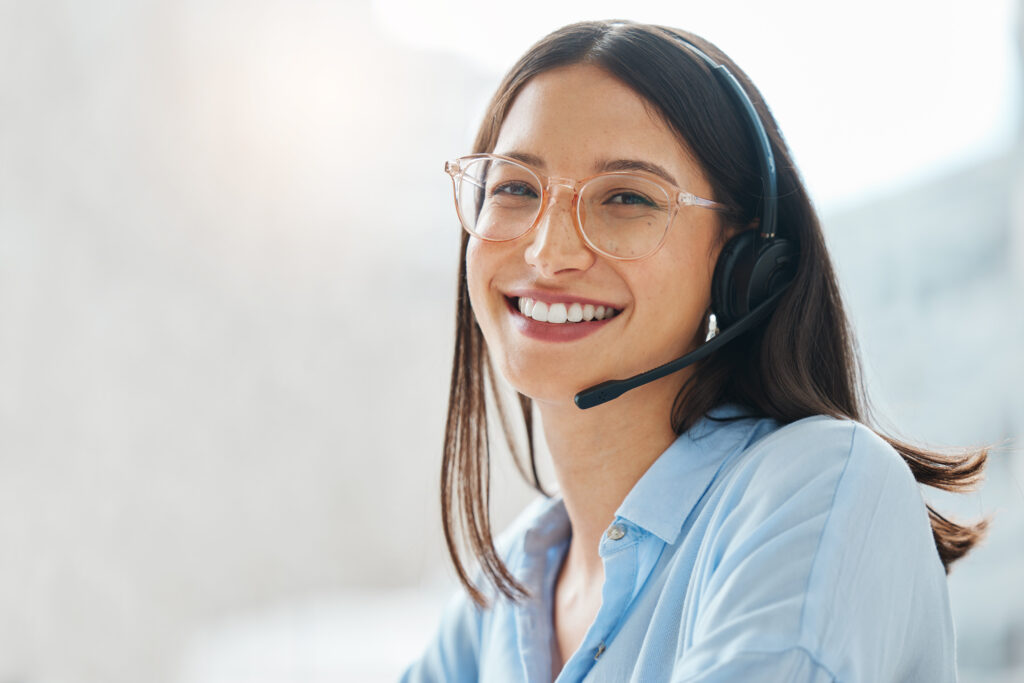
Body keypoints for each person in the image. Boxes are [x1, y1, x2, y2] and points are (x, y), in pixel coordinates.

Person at [401, 19, 987, 683]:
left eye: (625, 198)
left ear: (744, 261)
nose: (548, 252)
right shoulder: (504, 592)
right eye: (514, 188)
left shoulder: (823, 488)